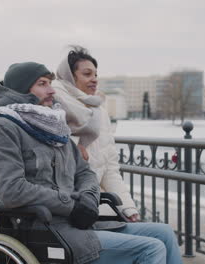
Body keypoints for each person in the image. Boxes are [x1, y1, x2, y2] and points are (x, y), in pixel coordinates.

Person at [0, 61, 182, 264]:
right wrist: (71, 206)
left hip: (78, 224)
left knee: (163, 233)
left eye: (50, 83)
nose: (51, 90)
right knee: (150, 248)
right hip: (45, 228)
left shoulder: (54, 128)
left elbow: (85, 173)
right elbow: (12, 189)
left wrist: (87, 199)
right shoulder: (3, 129)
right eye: (42, 84)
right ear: (21, 90)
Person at [53, 46, 140, 221]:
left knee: (160, 234)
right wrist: (74, 144)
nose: (94, 80)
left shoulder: (99, 112)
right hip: (65, 210)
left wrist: (128, 208)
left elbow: (109, 169)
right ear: (70, 76)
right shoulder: (52, 108)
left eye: (96, 75)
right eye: (87, 74)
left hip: (92, 206)